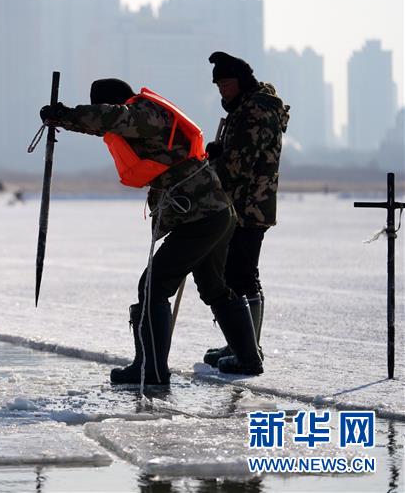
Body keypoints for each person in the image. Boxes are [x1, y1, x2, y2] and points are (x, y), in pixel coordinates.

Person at [40, 78, 263, 385]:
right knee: (213, 287)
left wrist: (63, 115)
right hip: (215, 212)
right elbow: (110, 121)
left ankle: (152, 370)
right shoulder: (146, 114)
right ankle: (248, 360)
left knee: (152, 287)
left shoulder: (141, 113)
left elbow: (109, 117)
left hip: (200, 217)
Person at [202, 52, 290, 367]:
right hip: (240, 204)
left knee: (242, 274)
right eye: (218, 85)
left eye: (226, 83)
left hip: (250, 205)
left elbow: (239, 165)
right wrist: (221, 151)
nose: (222, 90)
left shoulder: (255, 111)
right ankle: (238, 343)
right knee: (234, 274)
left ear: (241, 81)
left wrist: (215, 162)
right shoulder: (246, 108)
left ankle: (248, 350)